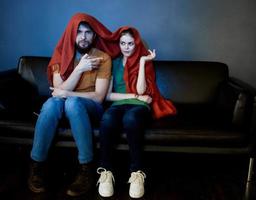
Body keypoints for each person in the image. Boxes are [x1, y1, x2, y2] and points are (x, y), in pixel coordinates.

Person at [28, 13, 115, 197]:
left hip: (91, 108)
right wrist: (79, 69)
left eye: (88, 32)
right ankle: (37, 166)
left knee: (73, 103)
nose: (83, 37)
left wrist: (68, 94)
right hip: (62, 105)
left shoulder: (103, 58)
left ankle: (86, 168)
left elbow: (99, 97)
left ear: (94, 35)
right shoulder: (60, 55)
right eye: (79, 32)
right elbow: (57, 92)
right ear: (71, 34)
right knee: (52, 104)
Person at [96, 27, 177, 198]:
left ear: (136, 44)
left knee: (131, 119)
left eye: (130, 44)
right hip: (119, 104)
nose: (126, 47)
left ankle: (137, 173)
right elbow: (109, 95)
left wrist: (141, 62)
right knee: (107, 118)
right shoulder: (114, 62)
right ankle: (106, 172)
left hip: (139, 106)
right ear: (118, 44)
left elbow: (142, 91)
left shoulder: (145, 62)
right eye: (123, 43)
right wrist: (134, 96)